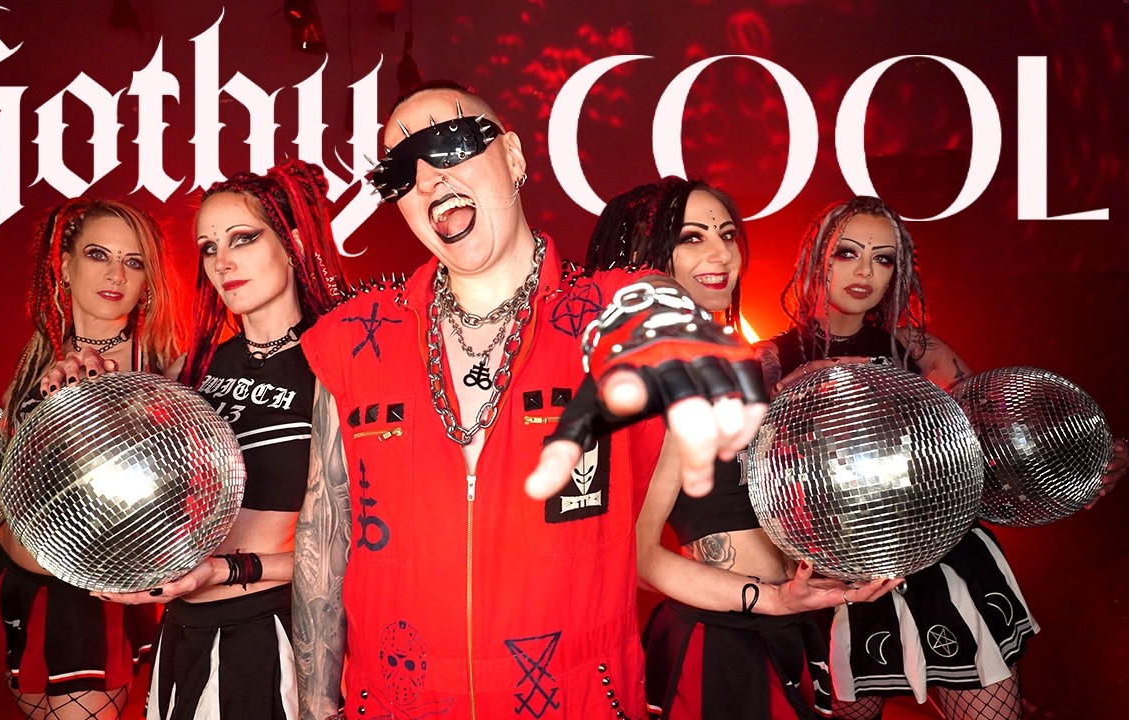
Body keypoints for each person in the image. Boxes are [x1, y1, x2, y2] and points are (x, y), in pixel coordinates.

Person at [292, 81, 768, 720]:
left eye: (451, 144)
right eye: (399, 172)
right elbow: (324, 540)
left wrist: (772, 596)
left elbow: (655, 542)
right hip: (397, 702)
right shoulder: (353, 339)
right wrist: (316, 705)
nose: (428, 178)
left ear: (514, 157)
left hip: (576, 702)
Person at [760, 195, 1122, 720]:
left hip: (942, 562)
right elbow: (744, 488)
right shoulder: (769, 363)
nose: (864, 272)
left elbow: (994, 450)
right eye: (847, 253)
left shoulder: (918, 351)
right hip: (832, 580)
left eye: (883, 259)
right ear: (815, 259)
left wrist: (1083, 464)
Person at [587, 179, 898, 720]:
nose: (721, 254)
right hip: (721, 643)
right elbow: (637, 556)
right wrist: (771, 598)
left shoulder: (735, 360)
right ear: (643, 252)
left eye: (727, 235)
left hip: (783, 624)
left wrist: (828, 576)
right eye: (692, 238)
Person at [91, 161, 345, 720]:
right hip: (182, 629)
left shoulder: (334, 366)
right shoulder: (196, 368)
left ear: (294, 242)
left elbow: (349, 549)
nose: (221, 261)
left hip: (267, 635)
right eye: (209, 247)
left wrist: (224, 570)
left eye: (243, 238)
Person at [0, 198, 182, 720]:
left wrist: (107, 413)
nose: (115, 274)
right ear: (65, 265)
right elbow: (12, 480)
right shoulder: (39, 352)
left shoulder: (163, 369)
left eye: (133, 262)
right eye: (98, 254)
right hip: (14, 579)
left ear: (148, 280)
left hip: (85, 599)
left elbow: (172, 502)